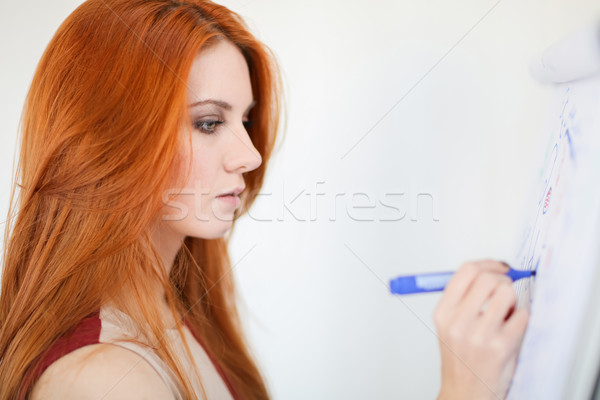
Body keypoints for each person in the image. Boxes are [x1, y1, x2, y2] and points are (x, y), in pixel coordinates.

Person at [0, 1, 528, 399]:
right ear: (106, 140)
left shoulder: (174, 308)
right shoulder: (104, 380)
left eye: (245, 120)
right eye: (209, 122)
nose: (250, 156)